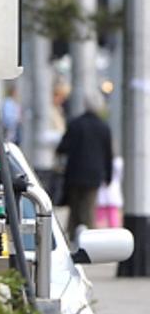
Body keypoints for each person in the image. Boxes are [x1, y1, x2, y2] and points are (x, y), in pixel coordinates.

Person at [56, 93, 114, 241]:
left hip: (74, 173)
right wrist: (109, 176)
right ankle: (89, 240)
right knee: (88, 208)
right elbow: (108, 154)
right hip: (94, 175)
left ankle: (70, 238)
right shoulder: (104, 127)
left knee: (74, 208)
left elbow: (62, 147)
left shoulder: (75, 124)